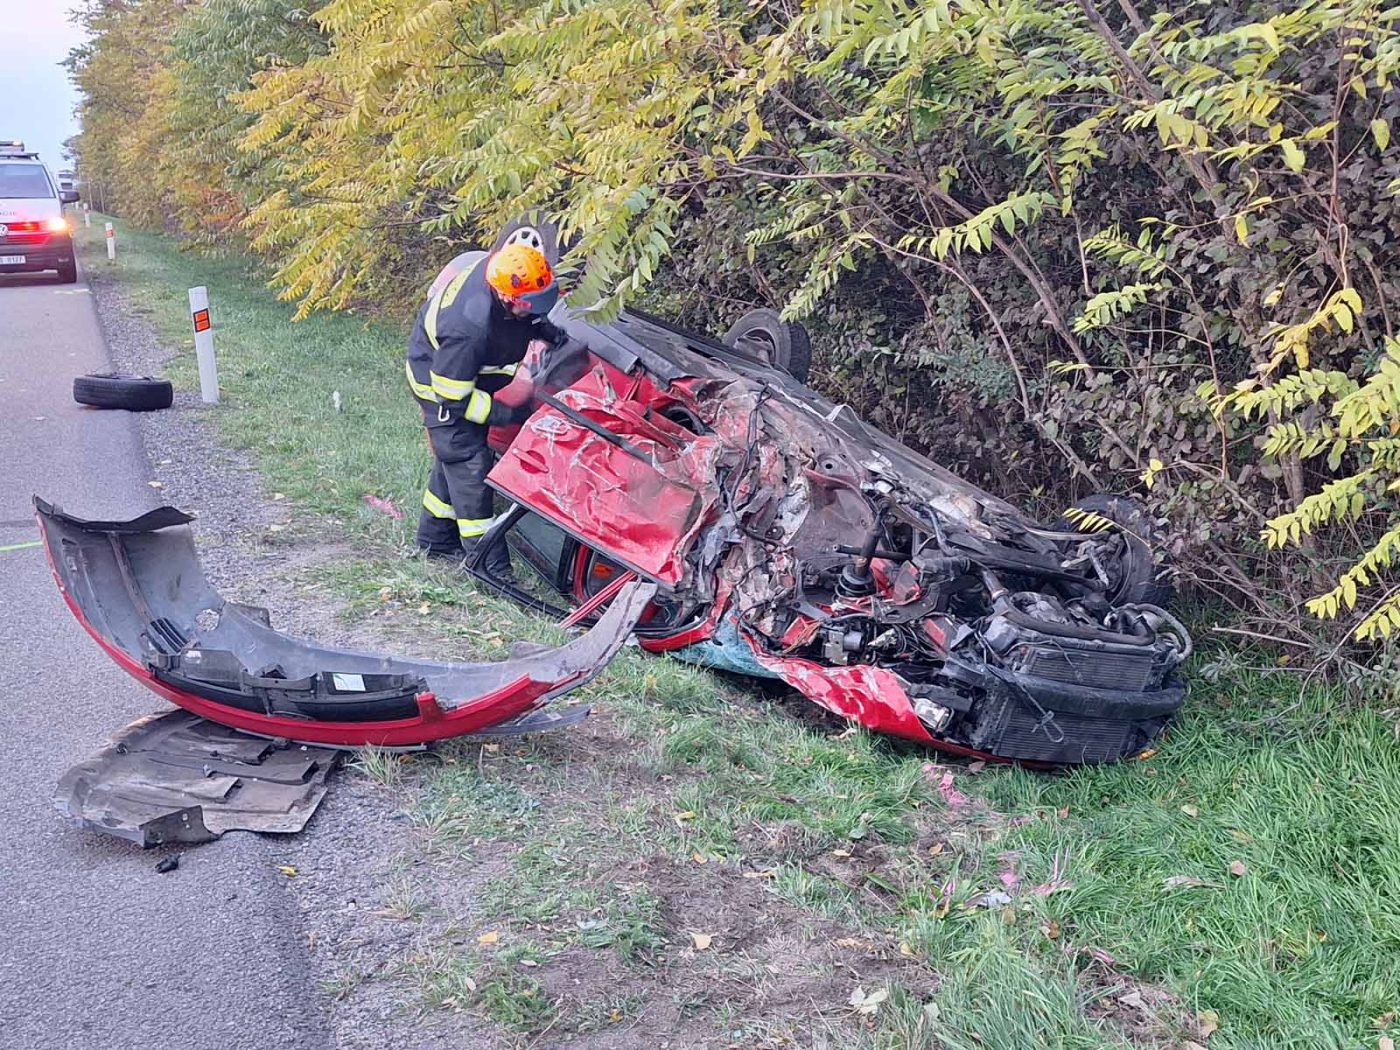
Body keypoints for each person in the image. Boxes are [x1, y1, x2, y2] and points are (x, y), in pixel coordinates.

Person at [405, 242, 565, 574]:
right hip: (442, 387)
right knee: (468, 461)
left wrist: (546, 331)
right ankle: (488, 566)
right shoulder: (468, 329)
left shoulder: (503, 273)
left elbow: (524, 316)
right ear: (507, 297)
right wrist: (504, 414)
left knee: (452, 458)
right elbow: (453, 397)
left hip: (465, 375)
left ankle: (434, 540)